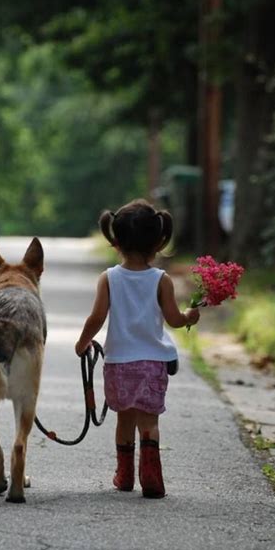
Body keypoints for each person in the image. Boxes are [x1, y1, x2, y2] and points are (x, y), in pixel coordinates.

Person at [75, 199, 200, 499]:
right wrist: (189, 317)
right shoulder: (161, 280)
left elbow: (97, 317)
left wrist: (82, 342)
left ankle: (125, 474)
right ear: (158, 242)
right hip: (152, 364)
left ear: (115, 241)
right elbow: (173, 319)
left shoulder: (109, 278)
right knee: (149, 422)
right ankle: (151, 475)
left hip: (119, 363)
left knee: (124, 420)